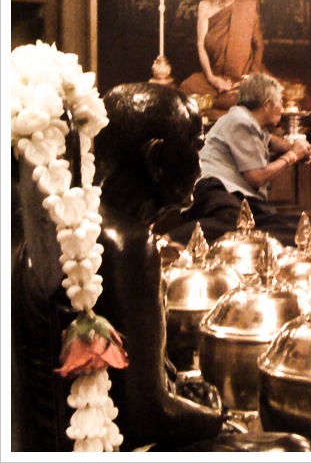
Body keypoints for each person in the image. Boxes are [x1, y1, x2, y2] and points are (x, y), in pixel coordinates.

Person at [13, 83, 224, 450]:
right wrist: (217, 417)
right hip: (98, 444)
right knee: (291, 445)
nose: (200, 166)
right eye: (196, 147)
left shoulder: (62, 225)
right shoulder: (124, 243)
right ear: (156, 159)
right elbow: (147, 417)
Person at [167, 73, 311, 247]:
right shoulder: (240, 122)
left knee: (296, 227)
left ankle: (248, 246)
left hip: (237, 196)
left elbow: (271, 141)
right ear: (267, 104)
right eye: (280, 102)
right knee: (235, 219)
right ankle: (169, 241)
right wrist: (293, 155)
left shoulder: (251, 123)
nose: (282, 109)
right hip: (212, 188)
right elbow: (256, 177)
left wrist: (297, 148)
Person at [179, 0, 267, 115]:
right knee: (187, 88)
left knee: (267, 93)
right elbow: (200, 45)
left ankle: (228, 100)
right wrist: (212, 78)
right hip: (215, 75)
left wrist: (249, 79)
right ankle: (233, 101)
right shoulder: (205, 6)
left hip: (244, 74)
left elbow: (258, 46)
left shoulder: (248, 8)